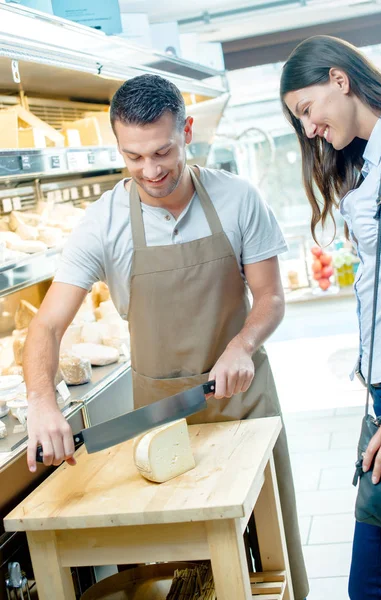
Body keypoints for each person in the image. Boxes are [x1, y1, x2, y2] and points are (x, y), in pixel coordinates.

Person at [24, 74, 308, 599]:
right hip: (164, 422)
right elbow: (47, 323)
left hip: (244, 401)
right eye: (133, 157)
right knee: (189, 569)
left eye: (162, 151)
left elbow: (269, 297)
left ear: (188, 132)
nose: (150, 171)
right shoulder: (103, 223)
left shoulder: (238, 198)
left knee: (270, 551)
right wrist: (42, 402)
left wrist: (241, 345)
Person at [280, 34, 381, 600]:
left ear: (339, 79)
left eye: (307, 110)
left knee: (373, 585)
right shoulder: (371, 156)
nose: (309, 129)